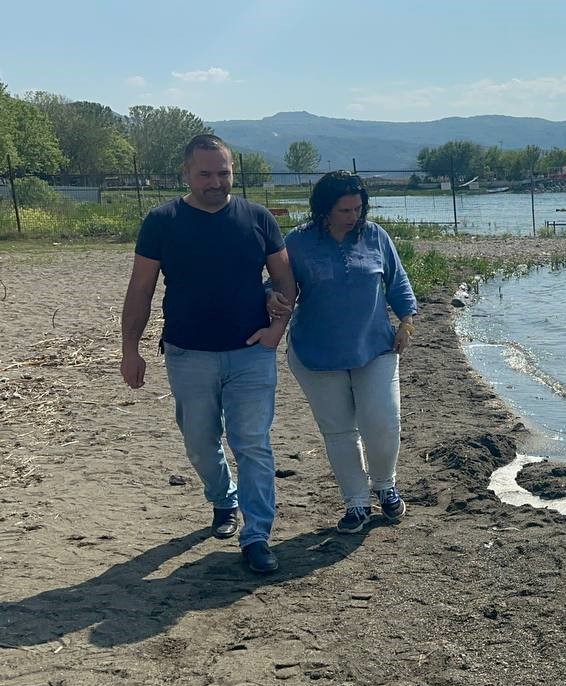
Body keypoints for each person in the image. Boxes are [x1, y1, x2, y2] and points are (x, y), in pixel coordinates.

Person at [120, 134, 296, 574]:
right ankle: (223, 498)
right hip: (188, 352)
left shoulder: (257, 218)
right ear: (186, 174)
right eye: (205, 174)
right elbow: (141, 289)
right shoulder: (163, 220)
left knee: (252, 442)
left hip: (251, 352)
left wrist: (277, 328)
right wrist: (130, 349)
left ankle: (256, 535)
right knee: (200, 442)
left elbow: (285, 279)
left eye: (224, 173)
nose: (215, 182)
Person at [270, 170, 417, 534]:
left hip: (375, 346)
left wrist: (407, 322)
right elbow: (279, 286)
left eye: (359, 208)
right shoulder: (299, 242)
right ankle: (356, 503)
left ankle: (385, 486)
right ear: (323, 210)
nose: (354, 217)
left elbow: (397, 281)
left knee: (383, 422)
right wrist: (268, 296)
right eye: (345, 210)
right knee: (338, 432)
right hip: (316, 353)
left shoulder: (375, 235)